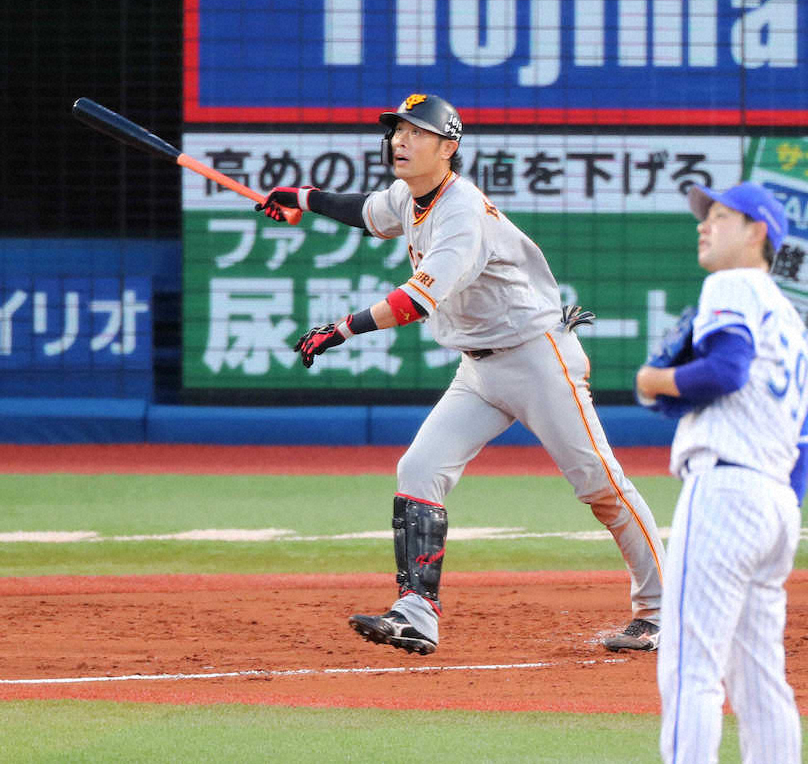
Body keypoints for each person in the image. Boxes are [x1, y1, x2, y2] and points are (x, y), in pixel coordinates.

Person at [256, 92, 666, 656]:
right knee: (419, 468)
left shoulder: (461, 211)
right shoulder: (409, 195)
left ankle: (662, 611)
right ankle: (416, 614)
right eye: (397, 131)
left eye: (415, 133)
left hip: (537, 358)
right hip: (478, 369)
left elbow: (414, 302)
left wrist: (343, 328)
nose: (400, 141)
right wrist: (302, 198)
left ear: (448, 148)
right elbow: (367, 212)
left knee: (601, 487)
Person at [635, 182, 808, 763]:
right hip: (777, 506)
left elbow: (725, 371)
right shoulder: (796, 328)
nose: (703, 224)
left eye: (719, 215)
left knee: (691, 668)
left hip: (725, 493)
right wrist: (777, 518)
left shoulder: (733, 283)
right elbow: (803, 446)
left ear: (757, 231)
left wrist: (653, 381)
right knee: (762, 679)